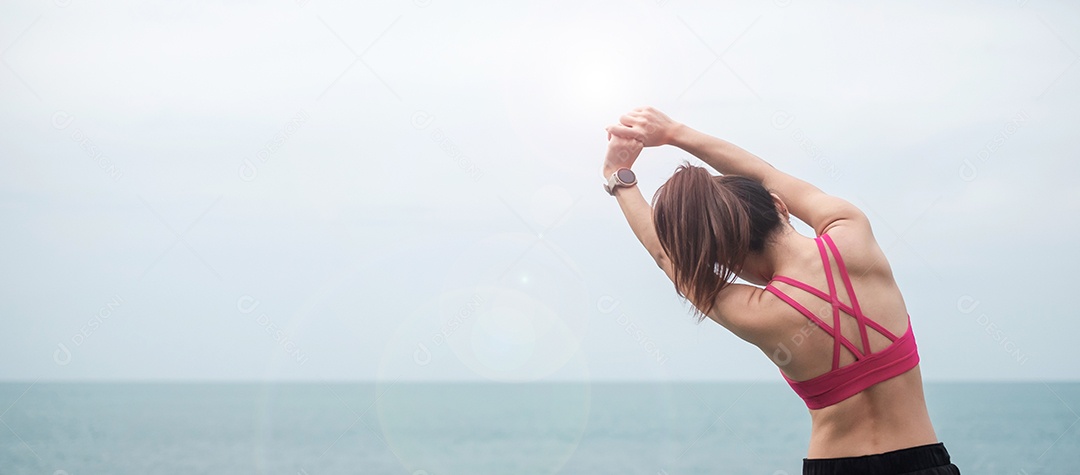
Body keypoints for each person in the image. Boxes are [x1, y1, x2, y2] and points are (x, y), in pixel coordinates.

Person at [601, 107, 961, 475]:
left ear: (730, 258)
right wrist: (674, 132)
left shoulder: (758, 311)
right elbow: (765, 175)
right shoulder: (851, 232)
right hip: (925, 461)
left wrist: (620, 179)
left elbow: (666, 257)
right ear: (778, 204)